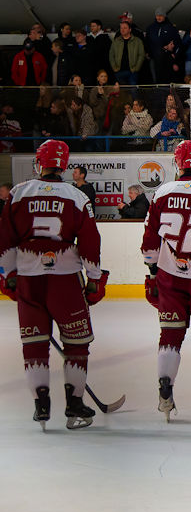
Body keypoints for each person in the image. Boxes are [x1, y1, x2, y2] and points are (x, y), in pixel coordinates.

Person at [0, 139, 107, 429]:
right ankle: (75, 404)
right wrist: (94, 279)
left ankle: (41, 405)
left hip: (28, 278)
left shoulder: (19, 193)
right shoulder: (76, 196)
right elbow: (90, 241)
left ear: (39, 162)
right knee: (77, 345)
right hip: (65, 279)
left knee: (34, 346)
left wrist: (8, 274)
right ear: (64, 165)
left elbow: (5, 237)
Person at [140, 141, 191, 422]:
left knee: (170, 336)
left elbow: (150, 241)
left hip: (170, 276)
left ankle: (165, 393)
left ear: (177, 163)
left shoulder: (162, 192)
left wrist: (153, 272)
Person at [109, 20, 145, 87]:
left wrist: (136, 68)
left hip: (132, 71)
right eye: (121, 28)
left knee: (133, 90)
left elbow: (141, 55)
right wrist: (114, 68)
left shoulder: (137, 41)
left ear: (130, 29)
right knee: (121, 91)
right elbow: (111, 55)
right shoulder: (116, 41)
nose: (122, 30)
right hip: (119, 71)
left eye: (125, 28)